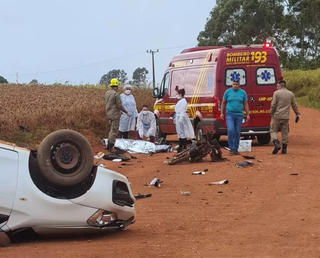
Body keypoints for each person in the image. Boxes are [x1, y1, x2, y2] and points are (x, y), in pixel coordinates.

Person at [270, 80, 300, 154]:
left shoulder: (276, 93)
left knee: (273, 130)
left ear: (280, 85)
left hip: (277, 115)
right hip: (286, 116)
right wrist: (297, 114)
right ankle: (284, 149)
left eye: (277, 86)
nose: (277, 87)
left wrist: (272, 112)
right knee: (285, 132)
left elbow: (273, 105)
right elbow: (294, 105)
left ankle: (276, 143)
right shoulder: (291, 94)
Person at [220, 80, 250, 155]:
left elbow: (245, 103)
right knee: (230, 130)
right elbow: (223, 102)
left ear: (239, 85)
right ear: (231, 85)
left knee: (237, 132)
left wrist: (248, 114)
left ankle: (236, 148)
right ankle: (231, 148)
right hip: (229, 114)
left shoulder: (243, 93)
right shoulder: (227, 92)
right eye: (234, 84)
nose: (235, 85)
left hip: (239, 114)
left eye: (236, 84)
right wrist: (221, 113)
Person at [104, 78, 131, 152]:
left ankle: (108, 145)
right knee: (114, 131)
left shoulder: (107, 93)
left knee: (111, 130)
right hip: (115, 115)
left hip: (109, 113)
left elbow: (110, 104)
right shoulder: (116, 94)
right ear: (116, 86)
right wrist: (126, 112)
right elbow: (119, 105)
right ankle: (111, 146)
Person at [174, 88, 195, 152]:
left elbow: (182, 111)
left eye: (177, 94)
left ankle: (184, 146)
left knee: (182, 131)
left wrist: (181, 118)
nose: (176, 95)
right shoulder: (180, 101)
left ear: (180, 94)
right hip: (178, 116)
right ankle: (181, 145)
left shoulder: (183, 101)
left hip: (181, 117)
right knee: (179, 131)